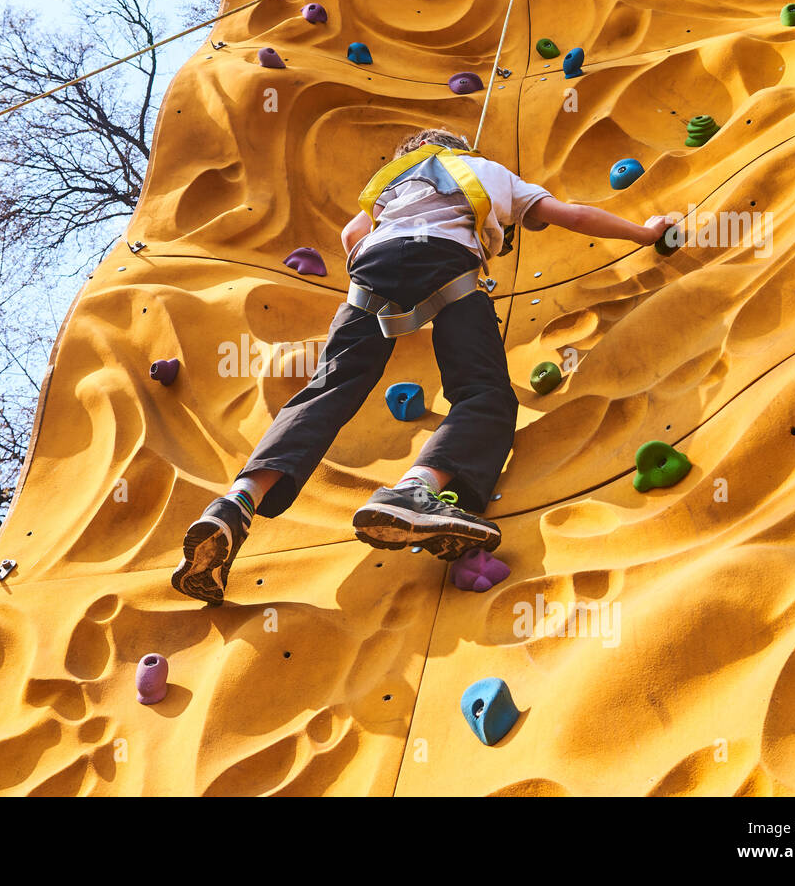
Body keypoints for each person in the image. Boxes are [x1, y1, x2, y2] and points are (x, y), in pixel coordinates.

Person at [172, 127, 675, 605]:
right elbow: (574, 215)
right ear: (461, 150)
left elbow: (352, 234)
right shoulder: (487, 171)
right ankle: (416, 491)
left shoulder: (394, 180)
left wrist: (388, 276)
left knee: (327, 390)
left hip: (371, 272)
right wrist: (644, 233)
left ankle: (235, 503)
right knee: (482, 392)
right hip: (448, 267)